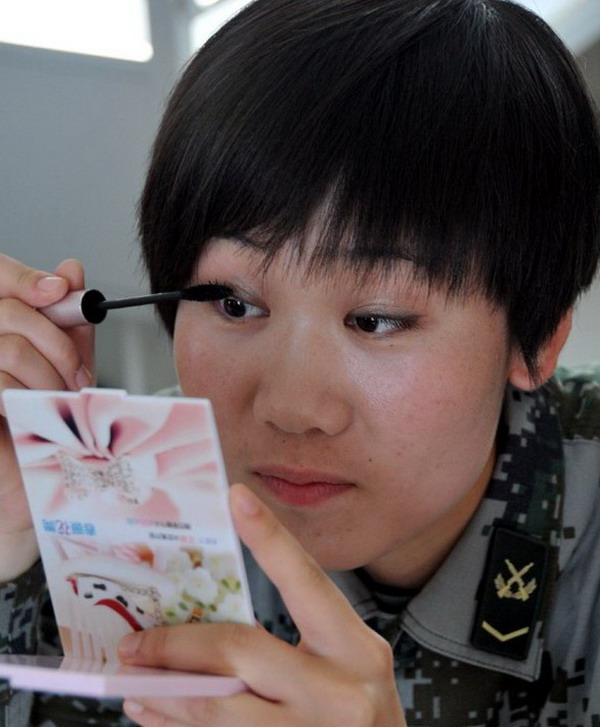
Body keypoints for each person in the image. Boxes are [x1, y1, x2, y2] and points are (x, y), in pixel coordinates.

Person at [0, 0, 599, 724]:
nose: (290, 408)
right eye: (233, 303)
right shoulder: (114, 492)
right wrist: (9, 550)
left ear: (538, 338)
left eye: (375, 320)